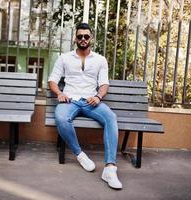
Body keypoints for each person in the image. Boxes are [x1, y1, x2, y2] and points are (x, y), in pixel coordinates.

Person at [48, 23, 122, 190]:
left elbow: (104, 84)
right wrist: (59, 93)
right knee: (61, 117)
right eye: (80, 36)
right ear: (75, 38)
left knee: (111, 118)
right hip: (70, 100)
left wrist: (98, 96)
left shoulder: (100, 60)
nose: (83, 39)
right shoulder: (64, 58)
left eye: (86, 36)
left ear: (91, 39)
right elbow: (52, 80)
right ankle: (80, 154)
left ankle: (110, 169)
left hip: (91, 101)